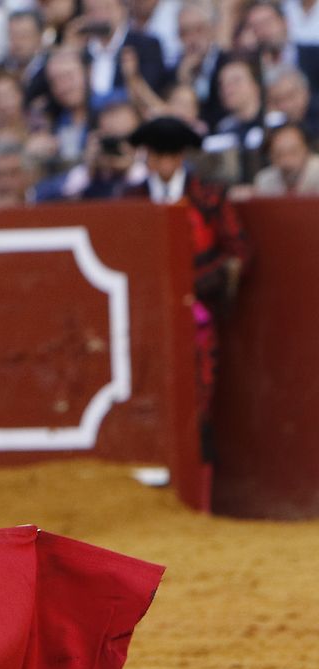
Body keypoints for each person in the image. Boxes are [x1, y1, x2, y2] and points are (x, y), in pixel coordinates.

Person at [124, 115, 249, 507]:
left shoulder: (210, 198)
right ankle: (149, 505)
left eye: (170, 154)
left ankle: (198, 503)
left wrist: (191, 289)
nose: (162, 163)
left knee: (198, 407)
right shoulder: (132, 200)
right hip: (140, 325)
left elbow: (238, 253)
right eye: (156, 155)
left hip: (196, 316)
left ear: (181, 156)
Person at [254, 120, 319, 191]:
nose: (287, 161)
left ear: (307, 150)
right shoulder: (265, 181)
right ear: (270, 156)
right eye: (279, 155)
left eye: (293, 152)